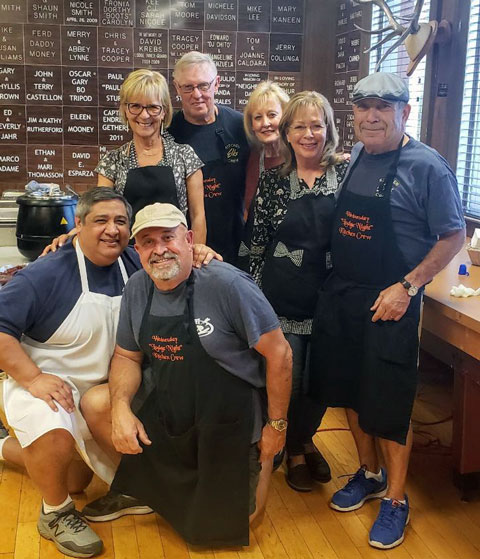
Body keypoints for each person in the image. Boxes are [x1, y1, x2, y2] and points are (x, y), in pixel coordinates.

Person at [309, 72, 466, 550]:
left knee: (390, 403)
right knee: (352, 393)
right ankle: (369, 473)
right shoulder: (355, 156)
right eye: (364, 106)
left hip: (393, 301)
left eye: (384, 106)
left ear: (405, 112)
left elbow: (453, 235)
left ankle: (396, 500)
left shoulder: (428, 167)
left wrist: (408, 285)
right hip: (345, 295)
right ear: (353, 113)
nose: (372, 115)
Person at [82, 202, 292, 546]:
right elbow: (126, 355)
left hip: (231, 421)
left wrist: (277, 426)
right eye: (148, 242)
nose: (160, 249)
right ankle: (156, 488)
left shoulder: (227, 284)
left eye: (168, 237)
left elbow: (280, 354)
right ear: (137, 249)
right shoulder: (137, 287)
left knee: (238, 522)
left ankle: (253, 464)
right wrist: (120, 408)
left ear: (190, 239)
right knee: (97, 402)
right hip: (171, 409)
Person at [0, 188, 145, 558]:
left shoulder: (135, 263)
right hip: (45, 385)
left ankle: (2, 447)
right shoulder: (45, 272)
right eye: (100, 220)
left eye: (120, 221)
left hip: (99, 390)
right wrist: (32, 378)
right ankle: (55, 514)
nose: (112, 230)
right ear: (77, 224)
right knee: (54, 441)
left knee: (76, 480)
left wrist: (203, 253)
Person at [244, 91, 349, 492]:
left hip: (329, 297)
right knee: (289, 374)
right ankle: (289, 445)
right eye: (300, 126)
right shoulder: (272, 182)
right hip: (281, 297)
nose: (309, 134)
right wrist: (255, 303)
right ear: (287, 133)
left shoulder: (346, 175)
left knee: (318, 381)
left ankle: (304, 441)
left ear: (329, 130)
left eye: (317, 125)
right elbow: (256, 244)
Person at [43, 69, 207, 254]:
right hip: (126, 256)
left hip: (173, 255)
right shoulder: (113, 161)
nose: (144, 116)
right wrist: (72, 235)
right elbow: (100, 212)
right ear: (125, 110)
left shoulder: (185, 156)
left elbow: (198, 216)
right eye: (136, 106)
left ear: (164, 112)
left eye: (153, 107)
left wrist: (194, 255)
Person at [169, 52, 249, 264]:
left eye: (203, 85)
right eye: (188, 87)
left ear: (217, 84)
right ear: (177, 88)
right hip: (185, 250)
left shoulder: (240, 126)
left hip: (237, 245)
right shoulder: (167, 134)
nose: (197, 94)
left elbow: (274, 156)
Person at [242, 80, 290, 217]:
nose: (265, 123)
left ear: (285, 117)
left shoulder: (300, 157)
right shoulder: (250, 158)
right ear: (251, 124)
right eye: (258, 117)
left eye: (272, 115)